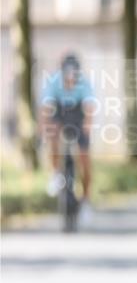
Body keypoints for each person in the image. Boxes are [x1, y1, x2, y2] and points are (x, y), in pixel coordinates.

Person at [41, 53, 98, 223]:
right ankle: (56, 173)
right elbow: (46, 107)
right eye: (68, 75)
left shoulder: (85, 84)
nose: (71, 80)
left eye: (74, 76)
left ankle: (86, 201)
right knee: (53, 133)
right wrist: (45, 126)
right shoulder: (54, 82)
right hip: (61, 113)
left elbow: (89, 109)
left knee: (85, 159)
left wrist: (87, 127)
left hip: (78, 115)